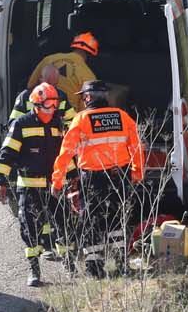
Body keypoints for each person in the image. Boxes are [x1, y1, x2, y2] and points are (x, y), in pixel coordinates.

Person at [51, 80, 145, 277]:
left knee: (92, 220)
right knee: (117, 220)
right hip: (121, 177)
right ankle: (121, 264)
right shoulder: (122, 116)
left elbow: (66, 152)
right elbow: (136, 147)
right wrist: (137, 173)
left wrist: (57, 181)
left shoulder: (81, 119)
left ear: (88, 97)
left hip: (93, 179)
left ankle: (95, 269)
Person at [0, 82, 70, 286]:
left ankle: (69, 265)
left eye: (55, 105)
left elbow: (65, 155)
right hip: (28, 186)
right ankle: (34, 270)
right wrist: (0, 180)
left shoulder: (58, 124)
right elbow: (7, 153)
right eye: (48, 105)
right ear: (36, 105)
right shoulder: (21, 124)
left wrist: (74, 178)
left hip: (54, 186)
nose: (52, 109)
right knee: (29, 227)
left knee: (62, 223)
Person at [27, 31, 100, 112]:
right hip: (68, 118)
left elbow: (30, 86)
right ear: (90, 55)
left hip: (40, 113)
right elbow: (86, 109)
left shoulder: (48, 59)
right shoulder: (89, 76)